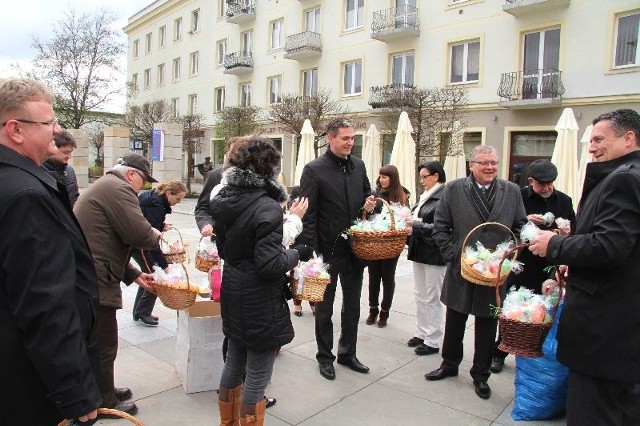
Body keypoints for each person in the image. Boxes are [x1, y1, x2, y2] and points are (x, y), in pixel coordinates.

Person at [528, 109, 640, 424]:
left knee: (593, 411)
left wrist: (555, 245)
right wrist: (572, 261)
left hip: (605, 330)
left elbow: (609, 246)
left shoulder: (624, 179)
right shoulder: (624, 175)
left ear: (628, 138)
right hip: (620, 327)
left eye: (599, 139)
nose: (591, 147)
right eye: (591, 140)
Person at [0, 77, 100, 425]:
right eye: (48, 123)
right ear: (15, 130)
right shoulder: (25, 195)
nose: (56, 131)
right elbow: (45, 303)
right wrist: (74, 388)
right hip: (27, 382)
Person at [210, 137, 312, 426]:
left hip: (234, 287)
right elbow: (269, 265)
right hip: (257, 297)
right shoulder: (266, 206)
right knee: (257, 374)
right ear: (269, 168)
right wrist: (296, 253)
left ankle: (227, 423)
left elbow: (224, 249)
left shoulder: (225, 197)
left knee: (234, 360)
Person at [425, 145, 527, 400]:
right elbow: (440, 227)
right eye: (484, 163)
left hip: (493, 273)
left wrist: (507, 258)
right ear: (472, 165)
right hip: (462, 267)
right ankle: (449, 364)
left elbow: (520, 225)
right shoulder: (455, 189)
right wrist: (454, 255)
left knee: (487, 323)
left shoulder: (512, 191)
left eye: (494, 162)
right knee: (455, 319)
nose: (490, 167)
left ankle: (480, 375)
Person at [74, 152, 162, 419]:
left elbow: (106, 238)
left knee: (99, 341)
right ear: (132, 174)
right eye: (144, 180)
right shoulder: (119, 188)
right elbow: (139, 233)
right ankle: (104, 400)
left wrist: (134, 274)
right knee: (104, 342)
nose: (143, 187)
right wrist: (163, 238)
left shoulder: (108, 185)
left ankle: (103, 388)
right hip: (94, 276)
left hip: (92, 270)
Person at [299, 117, 375, 380]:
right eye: (345, 138)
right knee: (325, 308)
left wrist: (369, 203)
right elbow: (308, 214)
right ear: (330, 138)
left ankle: (348, 353)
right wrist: (311, 252)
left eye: (353, 138)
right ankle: (325, 357)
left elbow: (367, 193)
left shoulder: (359, 164)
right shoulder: (314, 169)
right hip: (327, 251)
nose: (350, 143)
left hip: (355, 248)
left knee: (353, 305)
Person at [490, 159, 576, 374]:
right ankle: (500, 350)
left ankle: (536, 355)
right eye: (541, 184)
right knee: (514, 311)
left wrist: (564, 232)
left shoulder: (564, 200)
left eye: (550, 183)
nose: (547, 188)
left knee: (544, 313)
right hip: (523, 265)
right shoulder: (517, 196)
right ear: (530, 181)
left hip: (551, 266)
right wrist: (524, 221)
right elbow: (503, 229)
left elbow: (574, 230)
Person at [130, 179, 187, 326]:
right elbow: (152, 240)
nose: (178, 202)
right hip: (141, 244)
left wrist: (160, 225)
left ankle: (138, 311)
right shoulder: (156, 205)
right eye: (178, 198)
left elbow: (147, 222)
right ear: (168, 193)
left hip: (137, 241)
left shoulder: (154, 198)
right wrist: (164, 265)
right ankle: (143, 312)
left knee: (148, 272)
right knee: (156, 276)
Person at [405, 161, 447, 356]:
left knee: (433, 297)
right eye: (420, 177)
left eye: (425, 176)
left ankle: (433, 339)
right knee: (420, 295)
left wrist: (416, 224)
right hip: (419, 249)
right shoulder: (426, 196)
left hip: (435, 253)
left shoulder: (444, 196)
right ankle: (421, 332)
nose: (421, 180)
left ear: (436, 176)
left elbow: (443, 228)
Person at [365, 164, 409, 328]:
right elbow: (368, 216)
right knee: (373, 276)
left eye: (384, 177)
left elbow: (405, 218)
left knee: (388, 277)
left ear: (392, 178)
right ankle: (373, 309)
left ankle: (384, 312)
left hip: (391, 243)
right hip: (374, 241)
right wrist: (368, 207)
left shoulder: (402, 195)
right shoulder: (375, 193)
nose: (381, 180)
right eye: (380, 176)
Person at [288, 185, 316, 317]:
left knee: (314, 271)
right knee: (297, 273)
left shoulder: (317, 191)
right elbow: (290, 205)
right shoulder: (297, 190)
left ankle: (313, 302)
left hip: (312, 236)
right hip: (297, 236)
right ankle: (297, 303)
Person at [42, 129, 80, 207]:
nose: (69, 156)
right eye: (65, 152)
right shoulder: (39, 171)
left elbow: (75, 196)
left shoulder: (70, 171)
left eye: (71, 152)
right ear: (52, 148)